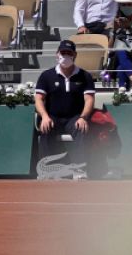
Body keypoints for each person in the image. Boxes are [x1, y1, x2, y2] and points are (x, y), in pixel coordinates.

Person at [34, 40, 96, 178]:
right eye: (63, 53)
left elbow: (89, 99)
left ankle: (79, 171)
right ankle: (46, 171)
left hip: (74, 117)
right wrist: (44, 116)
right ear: (57, 55)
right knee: (45, 128)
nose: (66, 56)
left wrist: (83, 117)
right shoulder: (46, 75)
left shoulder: (85, 76)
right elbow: (38, 99)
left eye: (69, 53)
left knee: (81, 128)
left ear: (75, 55)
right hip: (52, 116)